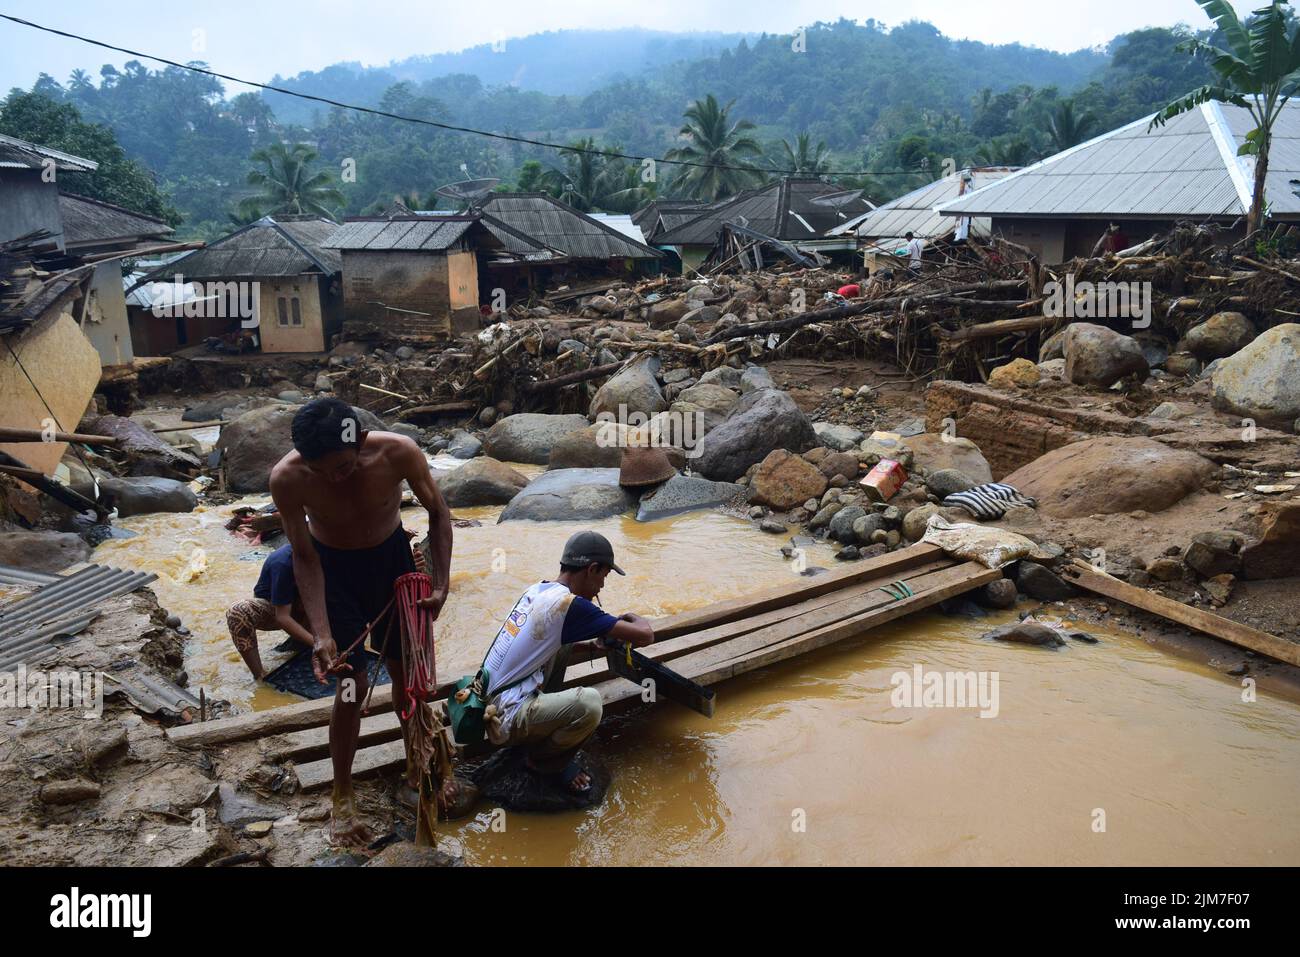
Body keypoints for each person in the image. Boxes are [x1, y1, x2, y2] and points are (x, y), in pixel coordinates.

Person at [269, 397, 453, 846]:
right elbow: (304, 556)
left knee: (407, 676)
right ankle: (343, 794)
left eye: (344, 466)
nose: (335, 477)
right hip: (334, 574)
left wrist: (441, 584)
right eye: (323, 471)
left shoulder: (398, 452)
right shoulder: (288, 479)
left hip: (391, 564)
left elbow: (438, 512)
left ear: (360, 441)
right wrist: (322, 634)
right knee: (349, 686)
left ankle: (419, 762)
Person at [481, 531, 653, 796]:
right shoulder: (569, 605)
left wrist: (592, 646)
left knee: (564, 645)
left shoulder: (538, 589)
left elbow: (544, 645)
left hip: (490, 701)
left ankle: (539, 730)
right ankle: (545, 762)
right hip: (505, 719)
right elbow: (645, 635)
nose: (602, 587)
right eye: (603, 577)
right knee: (590, 705)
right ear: (591, 569)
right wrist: (632, 616)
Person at [224, 544, 312, 680]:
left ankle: (306, 643)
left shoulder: (333, 551)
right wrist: (318, 643)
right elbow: (283, 617)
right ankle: (260, 676)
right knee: (238, 612)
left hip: (316, 609)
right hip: (279, 609)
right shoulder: (283, 562)